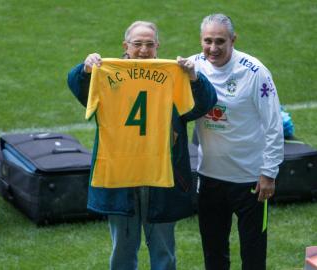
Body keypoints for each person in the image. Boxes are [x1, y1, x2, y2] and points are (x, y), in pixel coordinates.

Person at [67, 20, 217, 270]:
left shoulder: (174, 75)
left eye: (149, 44)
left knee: (164, 252)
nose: (144, 50)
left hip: (161, 176)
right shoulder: (107, 73)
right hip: (122, 177)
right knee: (123, 253)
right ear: (125, 45)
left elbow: (204, 104)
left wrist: (194, 78)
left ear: (158, 46)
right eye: (137, 44)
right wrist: (84, 69)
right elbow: (79, 88)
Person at [189, 14, 284, 269]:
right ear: (200, 40)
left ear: (233, 39)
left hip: (250, 181)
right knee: (214, 254)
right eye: (207, 41)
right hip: (209, 178)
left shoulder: (255, 72)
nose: (213, 48)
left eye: (220, 41)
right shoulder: (192, 68)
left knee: (253, 257)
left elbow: (273, 125)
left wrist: (269, 172)